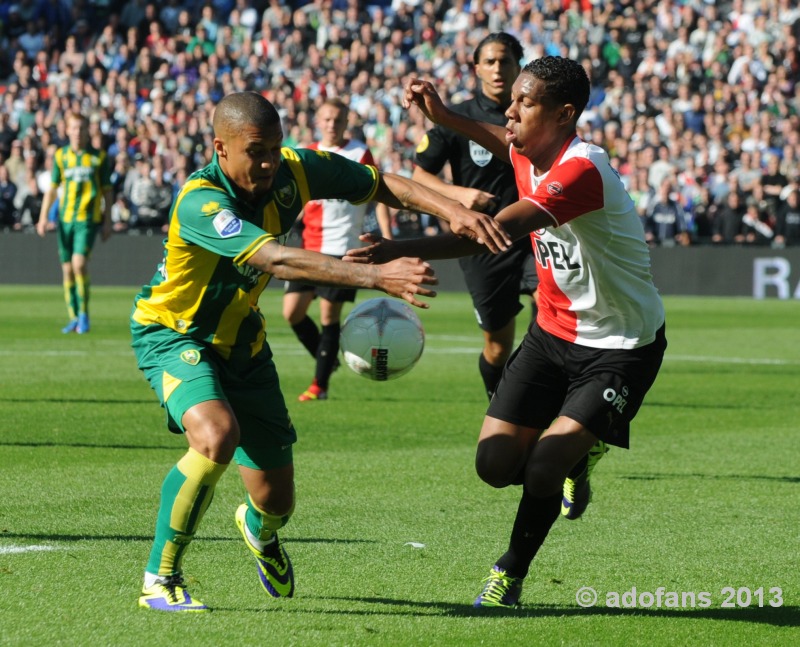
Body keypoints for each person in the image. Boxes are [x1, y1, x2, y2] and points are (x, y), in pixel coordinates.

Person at [131, 91, 509, 613]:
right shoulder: (202, 201)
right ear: (220, 148)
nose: (267, 162)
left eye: (274, 149)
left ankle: (259, 532)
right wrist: (377, 276)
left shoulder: (293, 169)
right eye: (255, 151)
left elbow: (381, 184)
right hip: (175, 335)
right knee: (216, 435)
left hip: (246, 344)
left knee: (275, 501)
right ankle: (161, 577)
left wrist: (452, 210)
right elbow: (277, 260)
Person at [348, 57, 666, 609]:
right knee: (494, 467)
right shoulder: (528, 152)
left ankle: (509, 573)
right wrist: (445, 116)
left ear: (565, 115)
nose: (510, 111)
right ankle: (576, 452)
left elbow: (488, 235)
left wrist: (398, 250)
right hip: (550, 334)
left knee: (545, 465)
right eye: (512, 101)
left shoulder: (581, 170)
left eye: (525, 103)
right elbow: (501, 139)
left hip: (618, 347)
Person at [410, 32, 539, 400]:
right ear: (477, 67)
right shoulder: (458, 118)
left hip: (533, 233)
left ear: (519, 67)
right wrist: (459, 194)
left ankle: (540, 380)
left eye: (506, 62)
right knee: (498, 346)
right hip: (484, 240)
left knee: (548, 301)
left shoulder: (532, 113)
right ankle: (497, 402)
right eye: (491, 61)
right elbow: (420, 173)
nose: (498, 69)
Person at [282, 98, 393, 402]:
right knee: (292, 312)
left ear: (346, 122)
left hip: (343, 247)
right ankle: (327, 359)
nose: (332, 125)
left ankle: (320, 386)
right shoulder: (307, 153)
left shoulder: (359, 152)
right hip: (309, 245)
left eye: (338, 120)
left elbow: (379, 195)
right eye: (327, 119)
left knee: (329, 315)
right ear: (318, 121)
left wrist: (387, 235)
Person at [36, 112, 112, 334]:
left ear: (88, 131)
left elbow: (108, 192)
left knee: (79, 264)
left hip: (87, 220)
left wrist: (108, 221)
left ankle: (84, 315)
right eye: (74, 128)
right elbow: (51, 189)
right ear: (67, 130)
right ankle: (73, 317)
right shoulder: (61, 156)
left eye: (82, 128)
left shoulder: (99, 157)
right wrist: (42, 217)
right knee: (67, 270)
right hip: (65, 220)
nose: (78, 132)